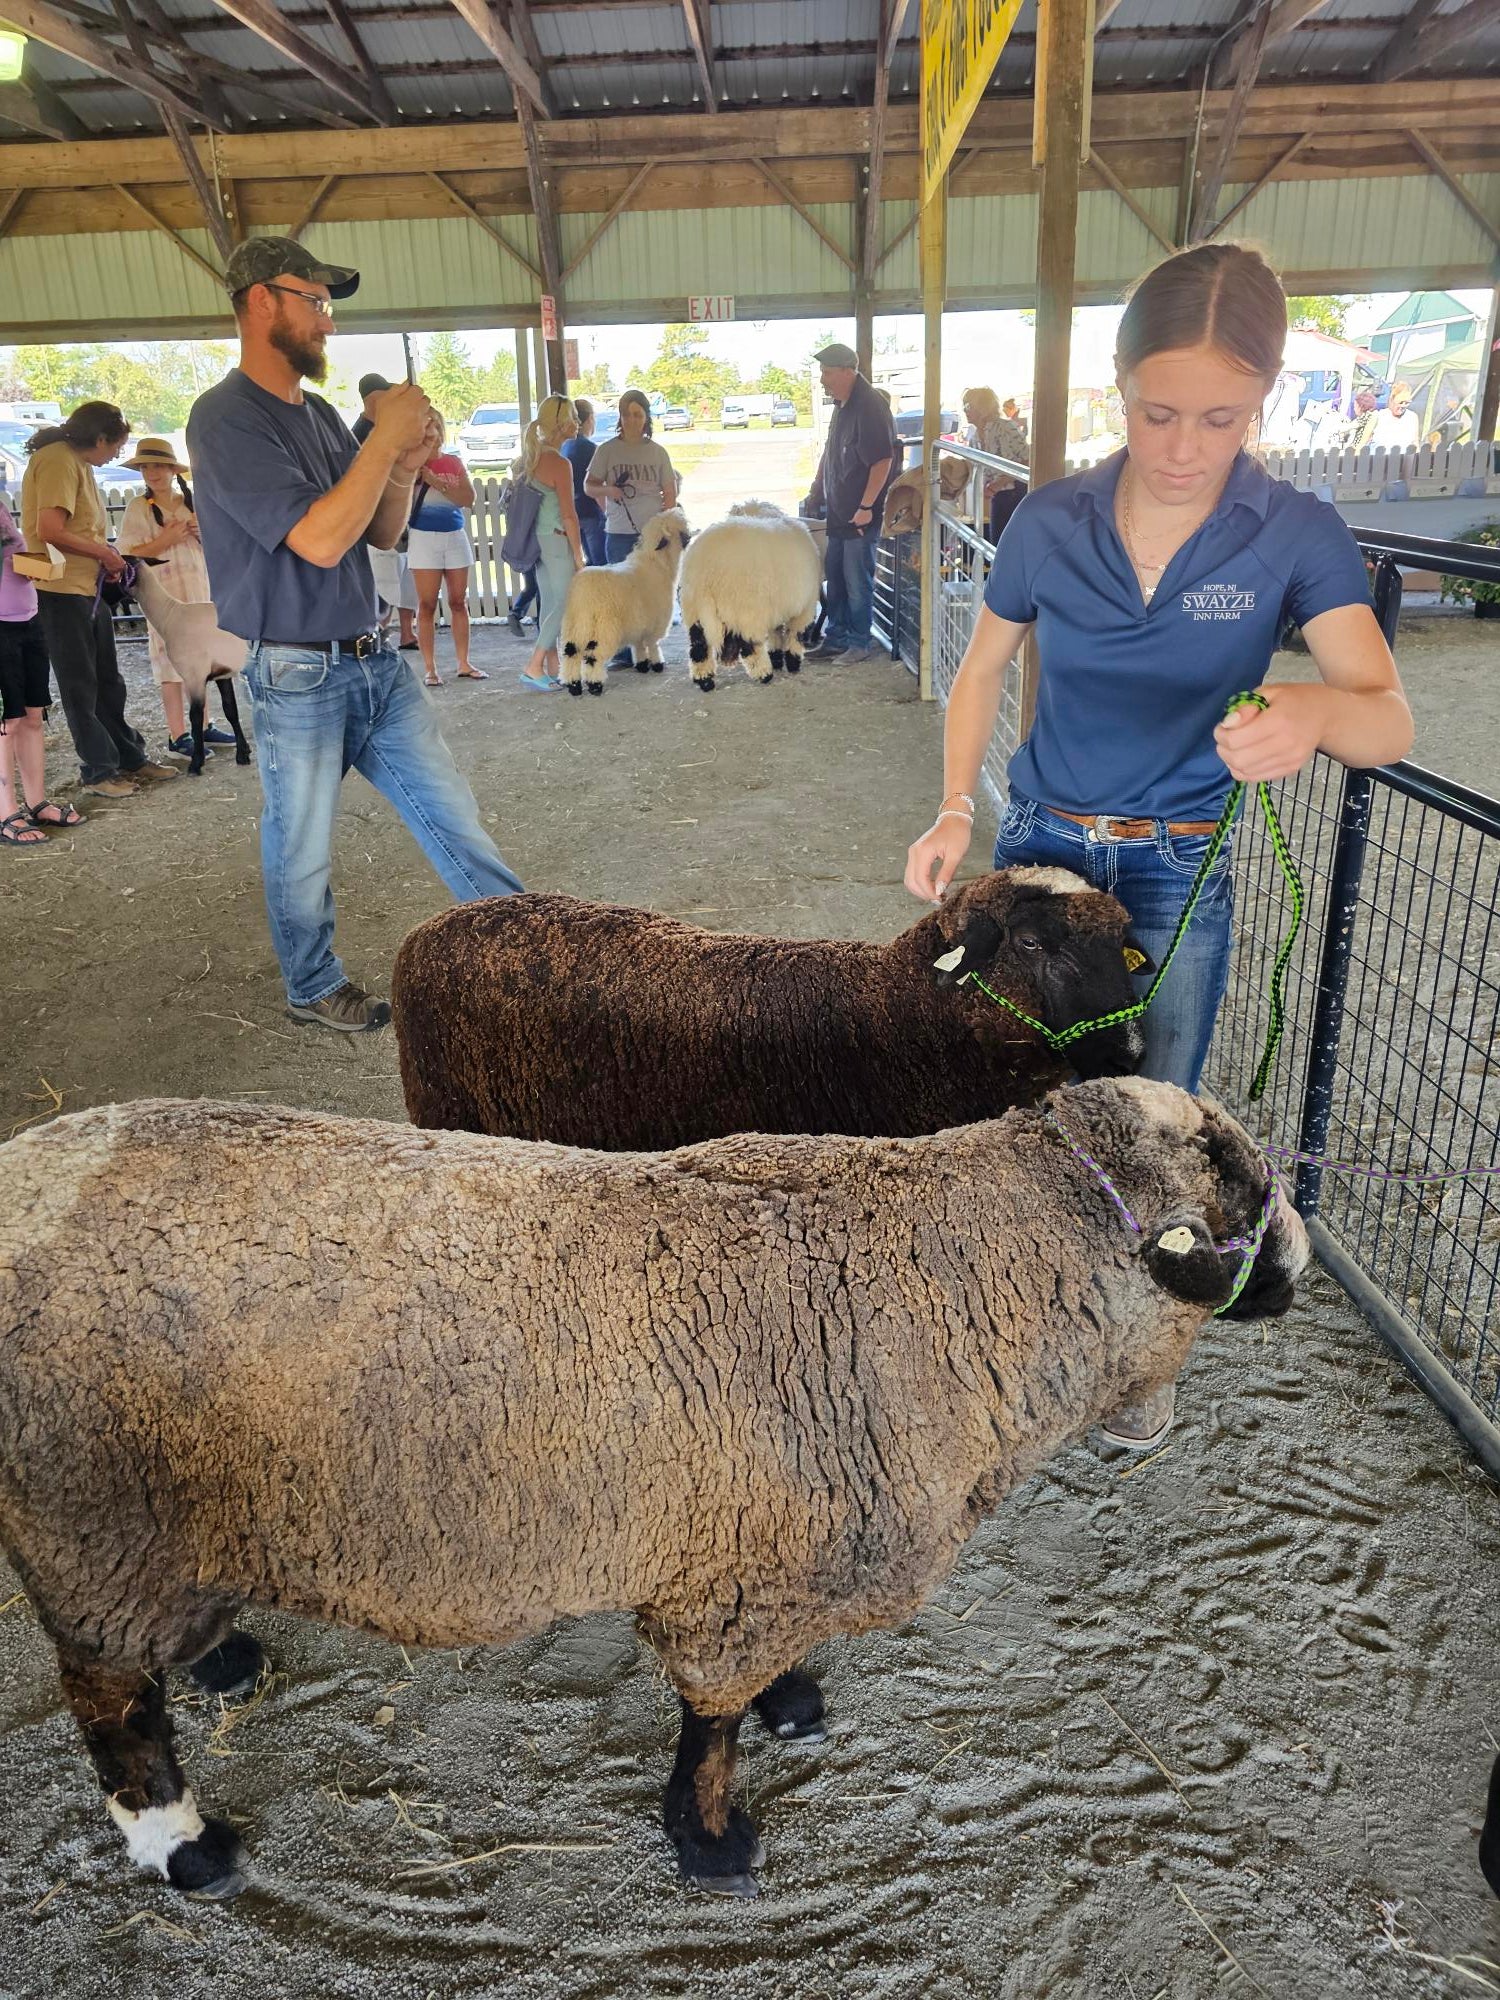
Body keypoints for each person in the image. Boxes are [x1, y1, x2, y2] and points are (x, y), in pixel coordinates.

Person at [903, 241, 1413, 1450]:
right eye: (1158, 411)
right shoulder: (1050, 516)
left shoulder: (1293, 531)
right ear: (1118, 386)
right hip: (1045, 853)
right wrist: (954, 809)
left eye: (1221, 417)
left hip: (1182, 862)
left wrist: (1314, 713)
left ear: (1266, 400)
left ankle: (1139, 1359)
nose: (1184, 446)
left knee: (1159, 1112)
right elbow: (981, 668)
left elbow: (1384, 712)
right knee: (1020, 1090)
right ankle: (1018, 1320)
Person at [186, 236, 524, 1033]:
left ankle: (530, 955)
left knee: (456, 820)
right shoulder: (225, 419)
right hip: (297, 671)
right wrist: (381, 437)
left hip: (373, 661)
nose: (328, 324)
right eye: (316, 302)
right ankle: (311, 984)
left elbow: (376, 531)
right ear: (261, 300)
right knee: (300, 846)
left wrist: (405, 463)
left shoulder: (323, 413)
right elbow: (318, 539)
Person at [20, 401, 180, 800]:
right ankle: (98, 770)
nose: (117, 455)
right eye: (117, 446)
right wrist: (106, 554)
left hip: (85, 587)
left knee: (108, 678)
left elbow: (80, 529)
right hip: (59, 590)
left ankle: (127, 755)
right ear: (101, 438)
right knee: (80, 683)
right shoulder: (57, 460)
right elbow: (50, 529)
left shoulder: (79, 462)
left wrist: (103, 555)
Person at [117, 437, 238, 758]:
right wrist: (166, 539)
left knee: (202, 657)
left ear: (172, 469)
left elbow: (223, 547)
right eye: (145, 467)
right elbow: (128, 555)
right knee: (168, 659)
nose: (152, 473)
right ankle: (177, 734)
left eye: (157, 465)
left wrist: (204, 535)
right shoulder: (138, 508)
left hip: (199, 591)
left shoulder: (193, 503)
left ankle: (205, 724)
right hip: (163, 597)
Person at [803, 341, 896, 667]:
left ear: (847, 371)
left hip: (859, 514)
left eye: (827, 373)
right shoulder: (842, 405)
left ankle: (859, 641)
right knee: (837, 576)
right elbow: (831, 453)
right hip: (840, 512)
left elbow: (882, 460)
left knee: (857, 579)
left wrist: (867, 507)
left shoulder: (869, 406)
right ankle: (837, 637)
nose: (822, 379)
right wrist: (817, 490)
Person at [0, 495, 80, 846]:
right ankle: (5, 813)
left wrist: (27, 565)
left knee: (33, 714)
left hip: (28, 618)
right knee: (8, 720)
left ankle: (36, 802)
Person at [584, 389, 678, 668]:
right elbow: (589, 486)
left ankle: (649, 647)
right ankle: (623, 652)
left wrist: (665, 527)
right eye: (626, 415)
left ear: (646, 417)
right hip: (619, 531)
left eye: (637, 415)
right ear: (620, 418)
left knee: (651, 592)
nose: (632, 420)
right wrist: (609, 492)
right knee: (621, 594)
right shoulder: (607, 450)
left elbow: (669, 491)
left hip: (651, 535)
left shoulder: (658, 452)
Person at [405, 415, 483, 688]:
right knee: (426, 604)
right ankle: (430, 668)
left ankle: (464, 662)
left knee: (458, 601)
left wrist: (437, 481)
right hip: (424, 537)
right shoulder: (412, 463)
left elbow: (468, 499)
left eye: (436, 427)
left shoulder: (453, 462)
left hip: (454, 534)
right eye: (427, 429)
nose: (433, 434)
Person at [518, 393, 584, 693]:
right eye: (572, 416)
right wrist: (579, 555)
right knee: (564, 603)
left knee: (548, 603)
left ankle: (554, 666)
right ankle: (534, 665)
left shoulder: (533, 456)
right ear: (560, 424)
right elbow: (569, 516)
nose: (578, 422)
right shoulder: (558, 462)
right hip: (557, 542)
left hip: (538, 541)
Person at [360, 374, 420, 652]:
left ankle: (401, 634)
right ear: (373, 398)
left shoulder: (383, 432)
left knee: (399, 586)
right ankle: (377, 639)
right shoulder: (363, 434)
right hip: (373, 524)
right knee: (383, 588)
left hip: (394, 522)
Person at [963, 385, 1030, 544]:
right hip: (998, 495)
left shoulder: (1005, 427)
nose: (965, 410)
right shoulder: (974, 436)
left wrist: (999, 483)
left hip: (1016, 493)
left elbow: (1028, 459)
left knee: (1009, 545)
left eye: (968, 406)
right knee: (997, 544)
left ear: (982, 407)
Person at [563, 396, 607, 565]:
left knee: (585, 562)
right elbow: (597, 485)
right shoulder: (591, 449)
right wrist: (607, 514)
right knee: (600, 563)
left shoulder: (566, 446)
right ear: (589, 419)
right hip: (590, 513)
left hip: (573, 512)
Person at [1371, 381, 1420, 452]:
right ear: (1392, 400)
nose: (1403, 406)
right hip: (1379, 460)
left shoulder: (1412, 417)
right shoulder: (1379, 416)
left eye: (1406, 403)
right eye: (1400, 402)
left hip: (1404, 460)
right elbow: (1364, 443)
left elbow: (1415, 443)